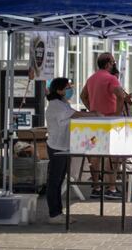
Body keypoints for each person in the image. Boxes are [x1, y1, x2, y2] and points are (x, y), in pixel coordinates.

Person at [45, 77, 98, 224]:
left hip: (63, 146)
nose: (70, 90)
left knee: (59, 179)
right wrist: (94, 114)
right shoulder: (56, 105)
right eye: (67, 87)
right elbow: (76, 114)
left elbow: (74, 114)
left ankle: (58, 213)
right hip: (57, 147)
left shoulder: (63, 103)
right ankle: (54, 214)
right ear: (59, 90)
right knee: (55, 181)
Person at [79, 52, 130, 199]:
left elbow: (83, 96)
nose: (114, 65)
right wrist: (117, 114)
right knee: (113, 156)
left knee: (93, 155)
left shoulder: (92, 78)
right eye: (113, 62)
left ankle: (96, 187)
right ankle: (111, 188)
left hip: (95, 122)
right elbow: (120, 95)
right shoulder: (111, 78)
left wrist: (92, 110)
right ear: (108, 64)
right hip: (110, 123)